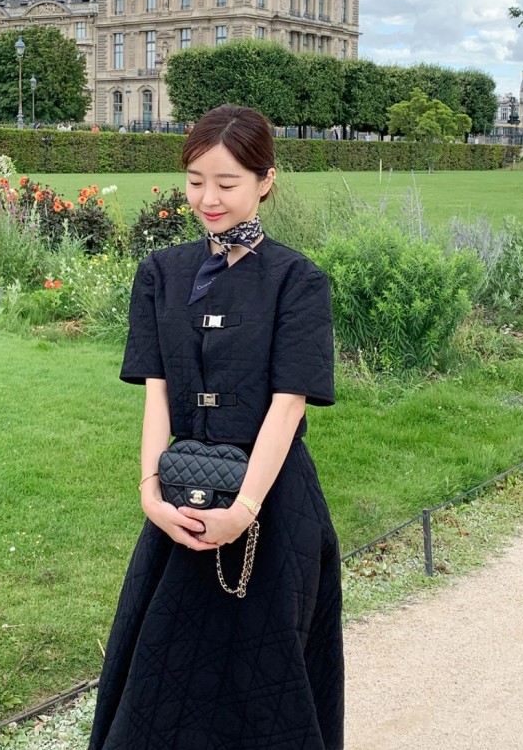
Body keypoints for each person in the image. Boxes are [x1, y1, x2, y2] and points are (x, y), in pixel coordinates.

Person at [89, 105, 343, 750]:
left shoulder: (298, 280)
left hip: (272, 505)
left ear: (265, 181)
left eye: (227, 183)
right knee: (161, 679)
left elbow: (289, 406)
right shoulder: (161, 273)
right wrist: (150, 492)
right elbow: (157, 392)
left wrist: (244, 510)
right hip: (181, 496)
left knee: (266, 683)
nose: (208, 198)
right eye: (196, 180)